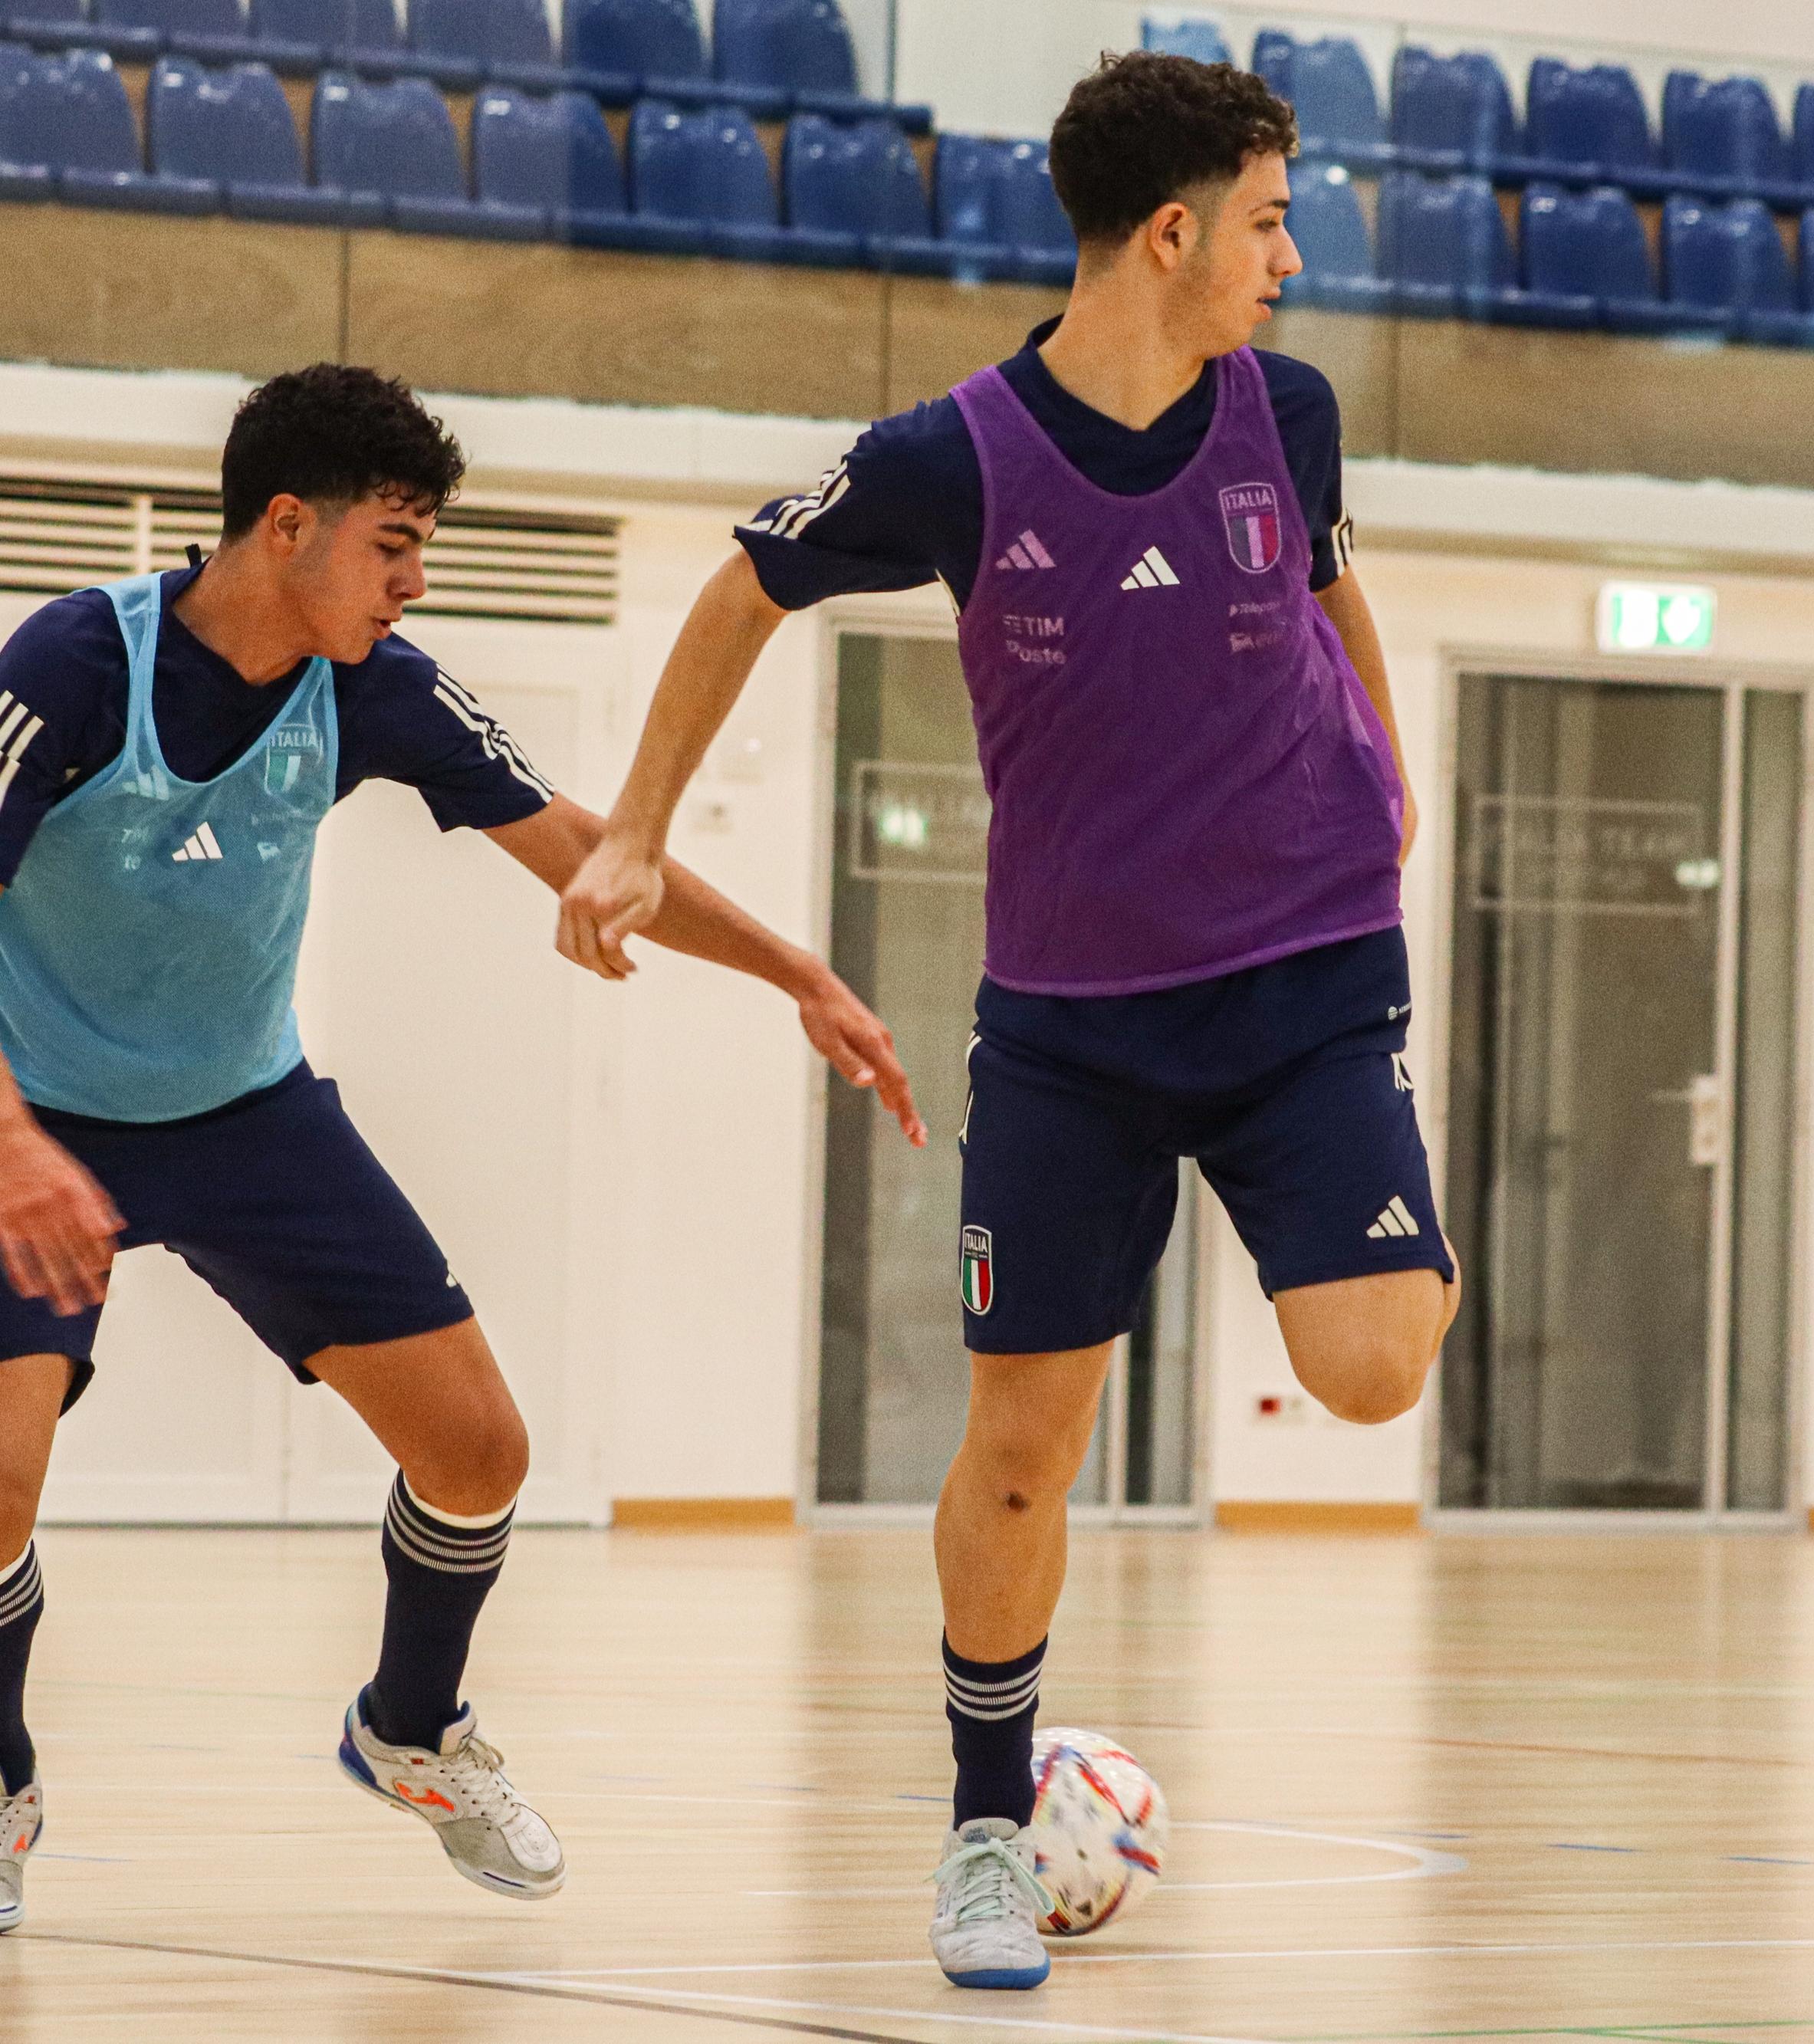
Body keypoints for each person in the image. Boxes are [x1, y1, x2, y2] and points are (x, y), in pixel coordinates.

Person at [555, 51, 1459, 1990]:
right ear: (1171, 232)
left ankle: (1325, 1194)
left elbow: (1326, 586)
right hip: (1071, 1019)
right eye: (1271, 220)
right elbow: (737, 587)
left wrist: (1390, 772)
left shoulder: (1282, 413)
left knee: (1378, 1364)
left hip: (1305, 976)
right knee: (1027, 1447)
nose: (1289, 257)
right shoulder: (953, 457)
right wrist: (634, 831)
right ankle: (984, 1827)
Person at [0, 364, 923, 1935]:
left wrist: (803, 974)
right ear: (285, 525)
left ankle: (408, 1728)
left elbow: (583, 841)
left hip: (243, 1111)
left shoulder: (373, 684)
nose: (416, 579)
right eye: (396, 541)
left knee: (480, 1447)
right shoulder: (79, 662)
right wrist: (13, 1138)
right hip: (30, 1110)